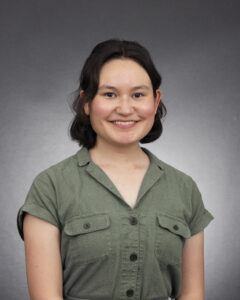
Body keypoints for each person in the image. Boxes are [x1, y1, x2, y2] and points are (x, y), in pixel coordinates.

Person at [17, 38, 214, 300]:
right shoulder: (51, 186)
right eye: (109, 94)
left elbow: (192, 295)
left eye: (138, 95)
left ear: (155, 102)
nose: (124, 108)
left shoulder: (184, 188)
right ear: (86, 102)